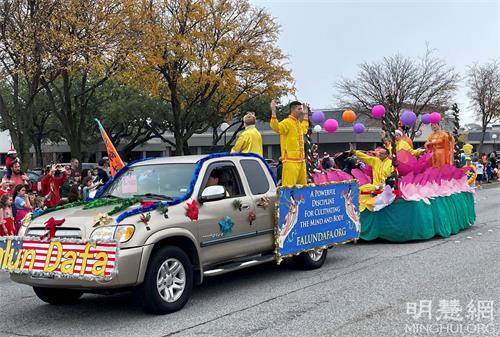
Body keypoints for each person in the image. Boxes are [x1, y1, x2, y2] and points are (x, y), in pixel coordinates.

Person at [270, 99, 309, 186]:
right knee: (289, 187)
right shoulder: (287, 122)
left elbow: (305, 129)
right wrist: (273, 111)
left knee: (303, 187)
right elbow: (276, 127)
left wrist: (306, 115)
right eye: (299, 109)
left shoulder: (298, 123)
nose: (301, 111)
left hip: (301, 160)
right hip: (290, 161)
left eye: (301, 109)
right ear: (293, 110)